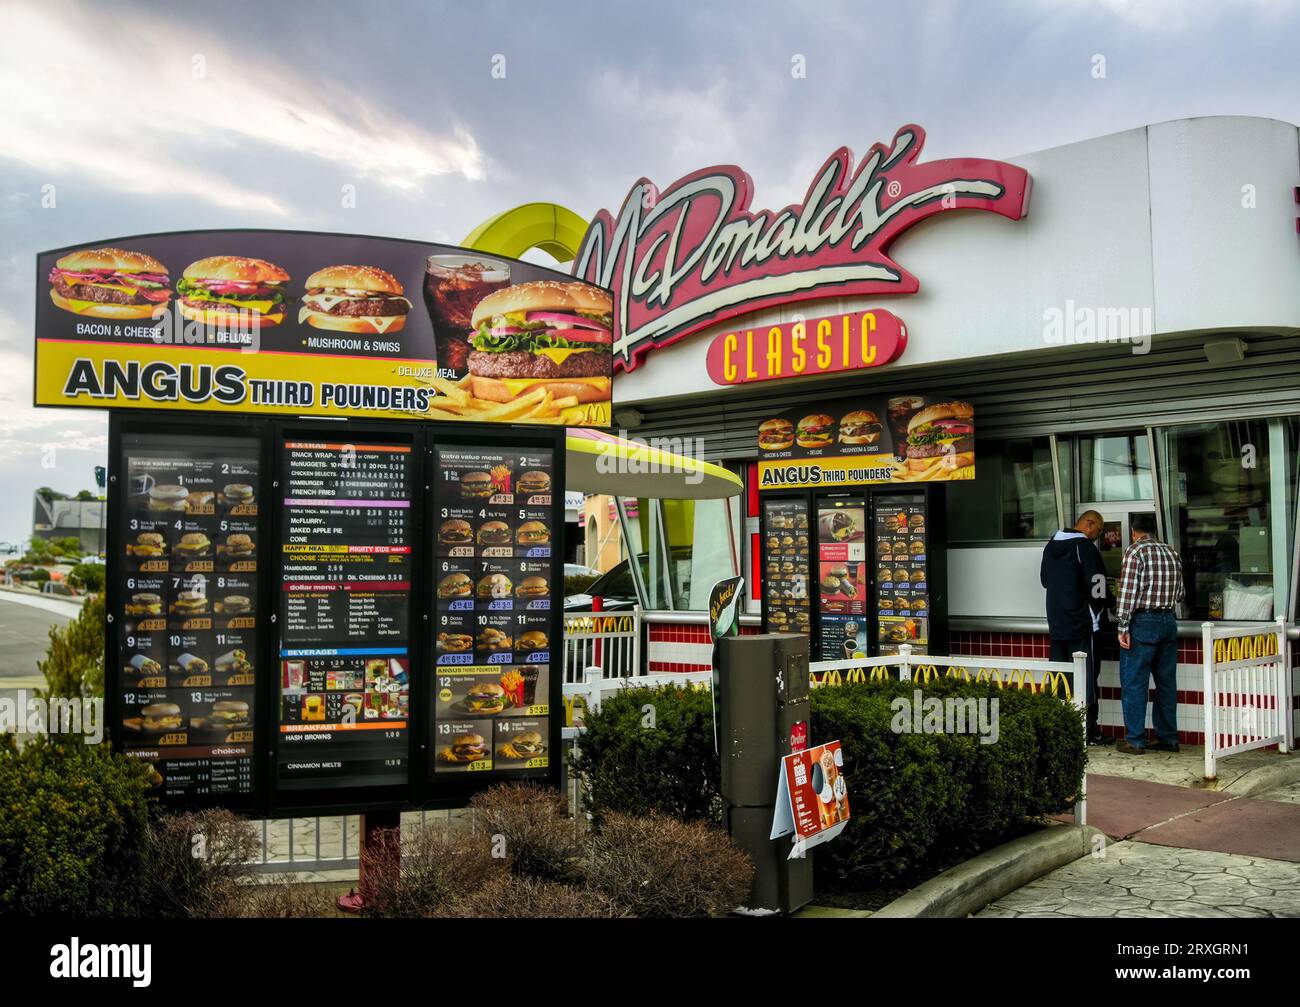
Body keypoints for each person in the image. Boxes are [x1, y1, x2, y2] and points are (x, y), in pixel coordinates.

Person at [1114, 513, 1185, 755]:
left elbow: (1127, 593)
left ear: (1134, 532)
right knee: (1166, 683)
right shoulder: (1171, 552)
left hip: (1143, 621)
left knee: (1134, 682)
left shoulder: (1135, 552)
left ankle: (1135, 740)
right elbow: (1180, 594)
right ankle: (1168, 738)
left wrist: (1123, 626)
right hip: (1168, 620)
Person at [1041, 510, 1108, 744]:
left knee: (1061, 677)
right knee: (1087, 677)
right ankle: (1089, 731)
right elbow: (1098, 586)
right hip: (1083, 623)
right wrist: (1104, 608)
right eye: (1098, 531)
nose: (1097, 537)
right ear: (1089, 524)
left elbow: (1045, 580)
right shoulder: (1086, 548)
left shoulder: (1051, 546)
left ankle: (1061, 729)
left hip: (1057, 622)